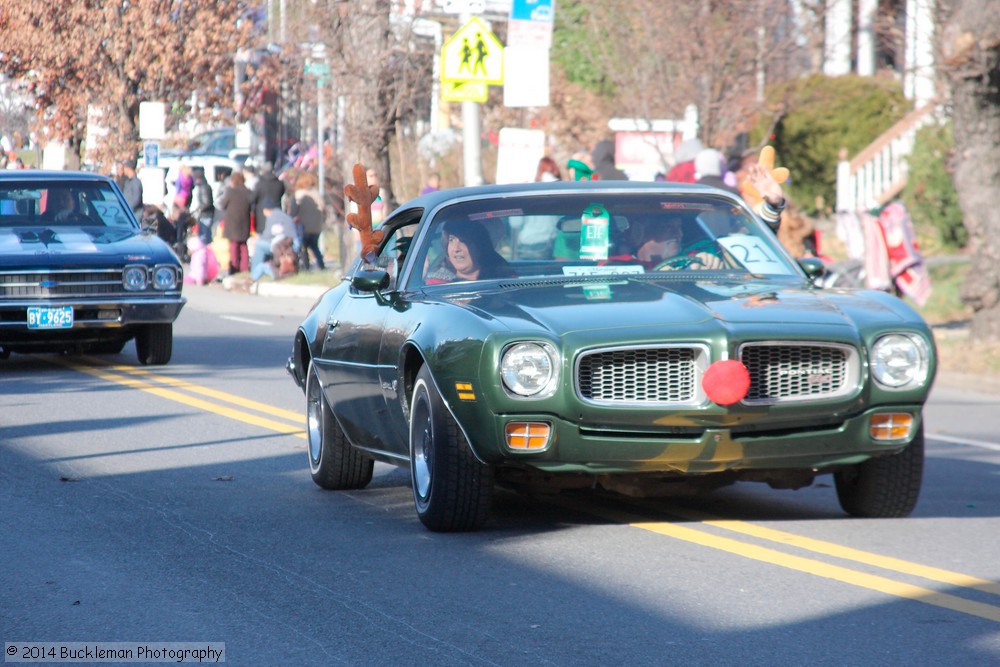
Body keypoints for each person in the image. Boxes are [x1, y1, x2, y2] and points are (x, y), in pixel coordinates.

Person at [424, 219, 512, 284]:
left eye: (464, 241)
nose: (456, 248)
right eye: (451, 240)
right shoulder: (435, 285)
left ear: (480, 246)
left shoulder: (505, 281)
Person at [250, 198, 295, 282]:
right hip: (290, 244)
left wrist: (258, 237)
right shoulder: (283, 215)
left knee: (259, 245)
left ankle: (253, 273)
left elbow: (267, 236)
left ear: (266, 209)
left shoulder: (272, 216)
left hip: (281, 246)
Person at [217, 170, 253, 275]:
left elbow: (222, 204)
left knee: (233, 245)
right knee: (243, 245)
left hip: (232, 222)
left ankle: (234, 267)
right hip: (244, 221)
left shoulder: (230, 191)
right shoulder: (248, 192)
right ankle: (244, 268)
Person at [289, 171, 325, 271]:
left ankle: (306, 267)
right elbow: (323, 209)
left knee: (303, 247)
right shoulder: (316, 194)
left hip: (304, 226)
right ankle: (321, 265)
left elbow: (293, 212)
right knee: (314, 246)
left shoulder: (298, 196)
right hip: (317, 226)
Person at [251, 161, 285, 234]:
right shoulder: (279, 183)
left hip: (261, 214)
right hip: (276, 212)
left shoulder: (260, 184)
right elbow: (282, 194)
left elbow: (252, 198)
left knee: (263, 235)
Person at [189, 167, 215, 246]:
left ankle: (206, 252)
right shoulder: (203, 186)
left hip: (205, 215)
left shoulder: (204, 187)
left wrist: (198, 210)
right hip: (205, 215)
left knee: (204, 236)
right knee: (204, 234)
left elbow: (207, 202)